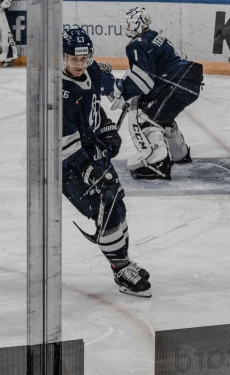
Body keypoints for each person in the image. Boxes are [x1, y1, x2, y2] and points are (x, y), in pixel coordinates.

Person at [62, 27, 152, 297]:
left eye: (84, 58)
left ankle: (122, 258)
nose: (79, 64)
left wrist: (106, 128)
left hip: (91, 150)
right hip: (66, 164)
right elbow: (62, 143)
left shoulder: (90, 72)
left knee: (116, 201)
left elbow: (95, 106)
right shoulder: (57, 91)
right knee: (107, 200)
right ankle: (120, 267)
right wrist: (88, 169)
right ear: (61, 57)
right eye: (73, 59)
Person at [112, 7, 203, 180]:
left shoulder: (137, 43)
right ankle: (179, 153)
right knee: (161, 116)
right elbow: (152, 73)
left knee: (146, 119)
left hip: (176, 83)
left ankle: (157, 164)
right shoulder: (154, 36)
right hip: (189, 78)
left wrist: (122, 90)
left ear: (137, 24)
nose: (127, 27)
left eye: (129, 23)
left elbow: (144, 81)